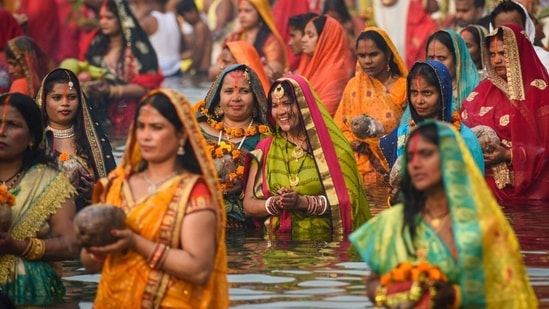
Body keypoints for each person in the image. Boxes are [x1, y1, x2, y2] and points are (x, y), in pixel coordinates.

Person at [349, 120, 538, 308]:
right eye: (410, 156)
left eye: (426, 154)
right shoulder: (391, 222)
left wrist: (454, 295)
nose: (415, 164)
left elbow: (511, 295)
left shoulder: (482, 228)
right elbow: (372, 282)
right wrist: (392, 295)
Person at [80, 88, 229, 307]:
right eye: (140, 126)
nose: (145, 136)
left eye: (157, 127)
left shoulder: (193, 192)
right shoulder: (118, 185)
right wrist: (98, 250)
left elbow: (199, 270)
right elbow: (90, 264)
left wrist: (135, 243)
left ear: (181, 135)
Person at [243, 75, 371, 240]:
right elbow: (248, 205)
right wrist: (276, 203)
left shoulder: (334, 149)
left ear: (305, 104)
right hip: (275, 249)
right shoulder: (265, 148)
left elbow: (349, 202)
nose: (281, 111)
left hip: (323, 249)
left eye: (288, 103)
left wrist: (302, 203)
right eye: (274, 106)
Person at [0, 93, 78, 306]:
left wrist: (18, 246)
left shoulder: (51, 180)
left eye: (12, 125)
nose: (1, 132)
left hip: (32, 290)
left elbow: (70, 246)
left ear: (32, 137)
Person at [460, 24, 549, 203]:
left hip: (531, 192)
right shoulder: (480, 93)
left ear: (518, 54)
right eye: (492, 55)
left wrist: (509, 155)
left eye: (503, 53)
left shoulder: (539, 93)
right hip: (481, 186)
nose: (496, 60)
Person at [334, 27, 408, 208]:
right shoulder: (354, 85)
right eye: (362, 55)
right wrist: (353, 140)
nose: (367, 61)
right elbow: (338, 128)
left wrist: (375, 142)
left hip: (393, 172)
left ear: (388, 55)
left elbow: (408, 128)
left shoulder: (404, 87)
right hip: (357, 174)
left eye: (373, 54)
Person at [197, 64, 270, 229]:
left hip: (244, 223)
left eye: (244, 91)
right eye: (229, 91)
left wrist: (243, 187)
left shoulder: (266, 137)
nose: (236, 98)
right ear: (218, 97)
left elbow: (271, 184)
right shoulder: (197, 131)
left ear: (255, 98)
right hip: (200, 209)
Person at [379, 60, 484, 173]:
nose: (419, 100)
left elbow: (474, 187)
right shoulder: (402, 135)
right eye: (414, 92)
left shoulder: (464, 138)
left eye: (427, 93)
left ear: (443, 94)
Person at [35, 68, 117, 211]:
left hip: (88, 219)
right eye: (57, 97)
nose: (65, 103)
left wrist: (94, 193)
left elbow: (113, 191)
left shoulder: (95, 141)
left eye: (72, 97)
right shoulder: (34, 141)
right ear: (44, 100)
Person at [81, 0, 163, 140]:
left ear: (122, 19)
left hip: (128, 117)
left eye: (109, 18)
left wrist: (112, 91)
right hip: (98, 113)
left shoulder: (136, 51)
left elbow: (148, 87)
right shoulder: (96, 45)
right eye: (101, 18)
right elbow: (85, 69)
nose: (104, 22)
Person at [298, 15, 354, 117]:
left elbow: (323, 115)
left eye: (310, 36)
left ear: (326, 39)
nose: (303, 39)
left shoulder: (335, 75)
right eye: (304, 34)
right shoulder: (309, 66)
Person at [220, 0, 288, 82]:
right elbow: (214, 71)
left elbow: (273, 71)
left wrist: (234, 67)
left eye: (247, 11)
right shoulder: (234, 38)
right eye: (240, 11)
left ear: (260, 13)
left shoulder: (271, 40)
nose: (242, 15)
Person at [425, 30, 479, 113]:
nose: (435, 64)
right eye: (430, 58)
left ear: (457, 60)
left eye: (441, 58)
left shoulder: (473, 90)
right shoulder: (421, 88)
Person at [490, 0, 549, 72]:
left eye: (514, 29)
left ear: (526, 28)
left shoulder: (543, 60)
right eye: (501, 31)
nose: (508, 35)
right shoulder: (491, 63)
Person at [176, 0, 212, 83]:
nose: (185, 20)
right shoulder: (197, 27)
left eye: (184, 16)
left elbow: (198, 52)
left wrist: (190, 69)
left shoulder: (200, 27)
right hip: (199, 70)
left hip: (203, 71)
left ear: (193, 11)